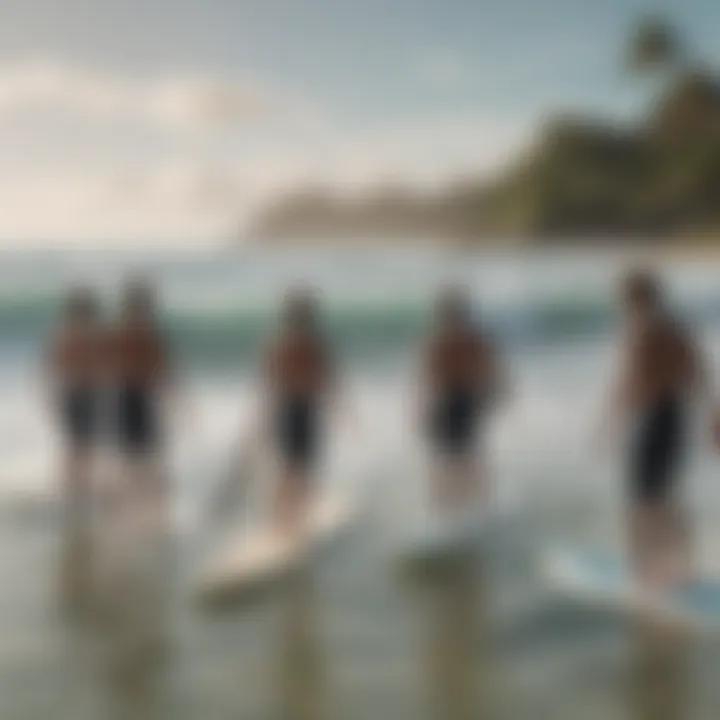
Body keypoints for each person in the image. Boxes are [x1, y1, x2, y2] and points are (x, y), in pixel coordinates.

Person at [600, 269, 706, 588]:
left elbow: (630, 382)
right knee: (665, 496)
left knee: (641, 499)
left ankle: (643, 571)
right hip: (676, 416)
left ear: (632, 298)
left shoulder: (642, 331)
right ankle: (682, 566)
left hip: (653, 418)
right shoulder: (676, 329)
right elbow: (698, 373)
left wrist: (609, 423)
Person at [419, 286, 506, 516]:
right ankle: (474, 509)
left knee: (452, 459)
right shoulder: (472, 342)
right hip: (463, 401)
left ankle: (450, 509)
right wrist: (493, 397)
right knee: (465, 458)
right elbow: (494, 374)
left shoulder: (441, 343)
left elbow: (428, 380)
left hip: (452, 402)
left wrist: (424, 410)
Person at [260, 287, 336, 535]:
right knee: (302, 467)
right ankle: (296, 523)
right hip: (305, 409)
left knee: (287, 466)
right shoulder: (315, 346)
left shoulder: (278, 344)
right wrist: (341, 410)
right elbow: (326, 381)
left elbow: (268, 383)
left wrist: (264, 417)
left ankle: (279, 521)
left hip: (285, 409)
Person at [110, 278, 173, 507]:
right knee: (147, 452)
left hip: (124, 395)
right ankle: (149, 504)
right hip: (140, 396)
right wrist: (178, 401)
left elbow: (106, 366)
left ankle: (131, 502)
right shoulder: (148, 334)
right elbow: (164, 369)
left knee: (131, 453)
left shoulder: (119, 332)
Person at [46, 286, 106, 510]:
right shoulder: (86, 335)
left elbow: (52, 367)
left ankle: (73, 488)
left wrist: (51, 395)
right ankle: (76, 489)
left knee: (77, 442)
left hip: (72, 392)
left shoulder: (64, 333)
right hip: (82, 393)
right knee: (82, 443)